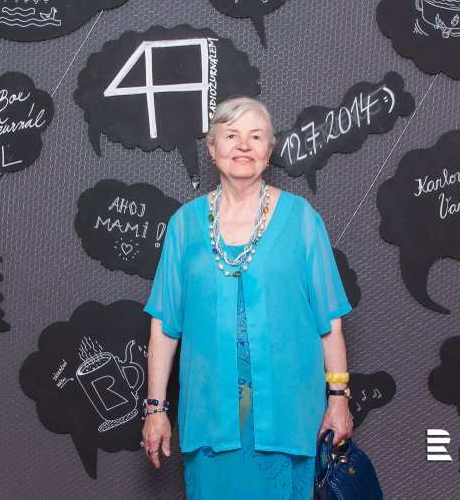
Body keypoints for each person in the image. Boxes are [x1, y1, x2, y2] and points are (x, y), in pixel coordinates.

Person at [141, 97, 353, 498]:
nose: (243, 146)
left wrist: (338, 400)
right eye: (231, 135)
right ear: (211, 147)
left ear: (269, 150)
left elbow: (330, 324)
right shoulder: (185, 225)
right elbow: (165, 328)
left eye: (255, 137)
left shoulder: (302, 219)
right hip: (210, 417)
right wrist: (155, 409)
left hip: (289, 416)